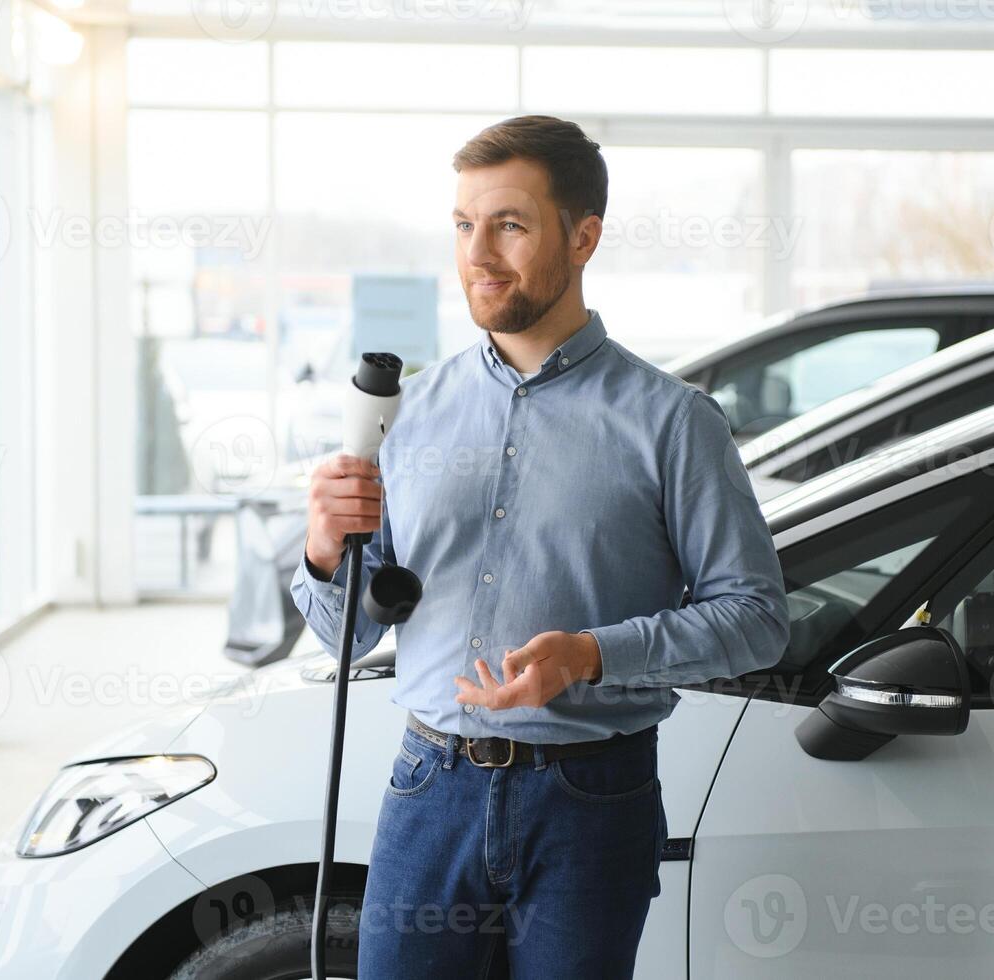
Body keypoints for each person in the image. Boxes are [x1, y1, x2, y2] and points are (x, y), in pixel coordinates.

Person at [291, 114, 790, 979]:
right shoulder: (408, 415)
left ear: (583, 236)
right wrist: (325, 555)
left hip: (591, 799)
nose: (478, 254)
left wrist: (592, 655)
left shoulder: (671, 423)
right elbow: (352, 635)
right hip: (428, 789)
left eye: (510, 225)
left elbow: (754, 621)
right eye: (463, 225)